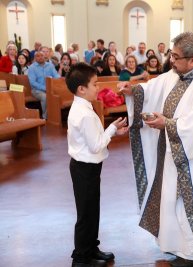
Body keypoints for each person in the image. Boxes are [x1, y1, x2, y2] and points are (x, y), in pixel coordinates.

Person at [120, 32, 193, 267]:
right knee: (172, 202)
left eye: (176, 57)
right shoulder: (178, 74)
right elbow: (154, 88)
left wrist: (166, 124)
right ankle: (180, 247)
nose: (171, 60)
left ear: (192, 60)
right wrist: (134, 91)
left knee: (189, 203)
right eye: (171, 54)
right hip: (171, 154)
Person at [65, 62, 128, 267]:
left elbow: (93, 139)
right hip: (85, 168)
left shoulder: (83, 106)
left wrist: (110, 132)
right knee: (86, 214)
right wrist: (111, 130)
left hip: (87, 167)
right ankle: (81, 258)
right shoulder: (83, 113)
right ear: (81, 89)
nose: (98, 87)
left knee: (92, 210)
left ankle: (91, 248)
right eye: (94, 84)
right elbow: (95, 145)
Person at [28, 50, 60, 119]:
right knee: (45, 97)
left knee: (58, 94)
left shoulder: (50, 65)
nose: (40, 57)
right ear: (35, 58)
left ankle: (56, 116)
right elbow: (33, 83)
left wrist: (59, 80)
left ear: (44, 56)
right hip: (36, 90)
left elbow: (56, 75)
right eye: (38, 56)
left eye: (42, 55)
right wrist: (45, 88)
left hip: (50, 88)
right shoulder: (31, 68)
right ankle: (45, 117)